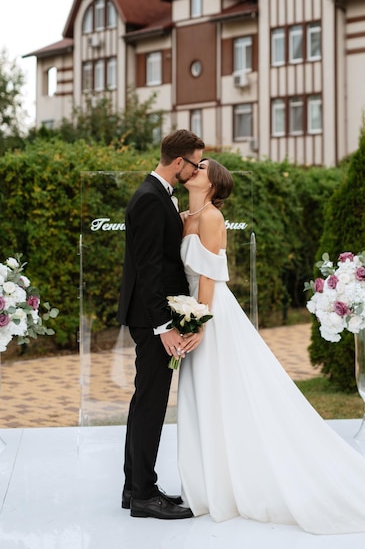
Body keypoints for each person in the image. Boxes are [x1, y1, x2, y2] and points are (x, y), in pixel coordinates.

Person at [176, 157, 365, 534]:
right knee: (205, 394)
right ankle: (212, 484)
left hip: (211, 312)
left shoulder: (210, 218)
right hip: (195, 306)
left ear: (215, 184)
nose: (195, 169)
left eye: (203, 168)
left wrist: (199, 321)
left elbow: (208, 275)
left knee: (221, 391)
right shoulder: (186, 216)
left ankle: (227, 485)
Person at [117, 129, 205, 519]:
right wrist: (164, 327)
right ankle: (144, 496)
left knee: (144, 402)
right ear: (178, 163)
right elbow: (151, 270)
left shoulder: (158, 197)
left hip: (150, 315)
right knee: (151, 404)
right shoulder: (151, 199)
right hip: (153, 319)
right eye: (195, 163)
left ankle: (133, 487)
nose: (198, 169)